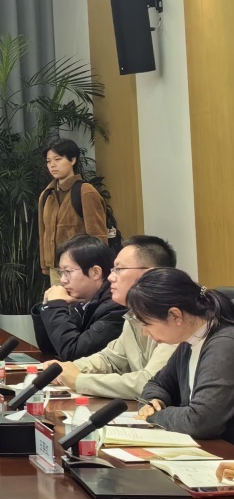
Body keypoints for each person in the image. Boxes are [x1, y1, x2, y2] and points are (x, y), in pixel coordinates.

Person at [47, 236, 178, 399]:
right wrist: (65, 369)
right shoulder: (134, 314)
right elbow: (109, 359)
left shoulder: (174, 316)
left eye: (119, 269)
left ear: (149, 274)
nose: (110, 277)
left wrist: (79, 380)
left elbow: (151, 382)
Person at [132, 269, 234, 442]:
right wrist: (153, 401)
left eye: (147, 323)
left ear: (175, 316)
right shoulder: (190, 341)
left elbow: (201, 422)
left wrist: (153, 416)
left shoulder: (224, 344)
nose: (144, 332)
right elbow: (158, 383)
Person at [30, 235, 126, 361]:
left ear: (95, 272)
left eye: (68, 272)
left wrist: (55, 307)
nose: (63, 280)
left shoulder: (117, 307)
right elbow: (50, 349)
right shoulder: (79, 301)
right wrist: (47, 306)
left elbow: (73, 354)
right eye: (61, 272)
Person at [39, 139, 108, 285]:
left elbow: (98, 235)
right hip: (55, 268)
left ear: (72, 160)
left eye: (58, 159)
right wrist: (45, 264)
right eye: (48, 161)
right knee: (58, 299)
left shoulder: (85, 191)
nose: (52, 165)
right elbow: (43, 232)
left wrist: (97, 268)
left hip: (81, 268)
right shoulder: (47, 194)